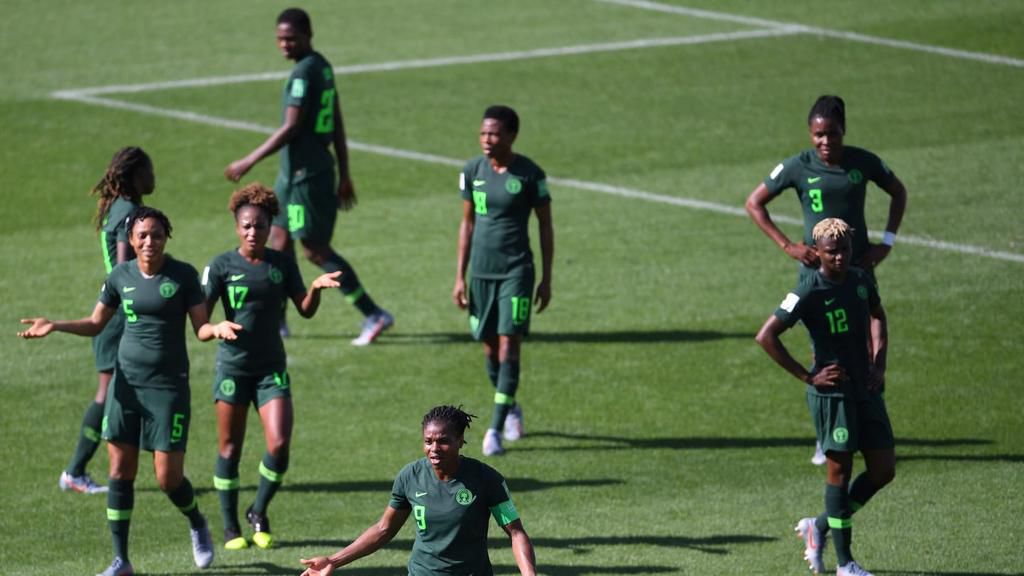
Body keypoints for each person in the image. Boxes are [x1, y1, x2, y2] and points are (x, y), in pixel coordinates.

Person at [18, 207, 240, 576]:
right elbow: (95, 323)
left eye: (156, 234)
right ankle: (121, 560)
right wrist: (54, 325)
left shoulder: (183, 275)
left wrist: (216, 329)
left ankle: (197, 521)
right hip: (126, 387)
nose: (149, 241)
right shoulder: (120, 277)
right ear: (131, 240)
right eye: (142, 236)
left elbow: (200, 328)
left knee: (168, 478)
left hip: (168, 390)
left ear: (166, 237)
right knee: (121, 471)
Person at [745, 95, 908, 466]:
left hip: (859, 269)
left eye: (831, 134)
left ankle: (869, 420)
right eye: (818, 135)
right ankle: (827, 434)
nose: (825, 142)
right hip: (817, 276)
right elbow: (754, 203)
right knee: (827, 349)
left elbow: (898, 191)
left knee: (865, 342)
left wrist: (887, 242)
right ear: (809, 133)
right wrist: (787, 245)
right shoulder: (797, 167)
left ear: (843, 131)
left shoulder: (862, 163)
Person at [224, 7, 392, 346]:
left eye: (291, 38)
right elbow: (338, 122)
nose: (284, 45)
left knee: (314, 250)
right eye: (280, 39)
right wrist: (345, 172)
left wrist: (249, 159)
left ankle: (372, 313)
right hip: (294, 175)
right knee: (279, 242)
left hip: (307, 178)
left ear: (307, 35)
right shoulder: (322, 66)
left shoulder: (303, 74)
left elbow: (292, 127)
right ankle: (279, 320)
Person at [203, 183, 341, 551]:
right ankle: (231, 526)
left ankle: (258, 509)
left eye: (260, 226)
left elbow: (304, 310)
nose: (253, 232)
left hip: (270, 370)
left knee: (279, 444)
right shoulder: (221, 265)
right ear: (236, 226)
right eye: (246, 226)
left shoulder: (281, 263)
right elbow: (199, 317)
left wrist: (315, 288)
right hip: (232, 368)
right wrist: (215, 327)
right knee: (229, 449)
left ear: (270, 227)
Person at [755, 218, 896, 576]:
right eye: (832, 251)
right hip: (833, 395)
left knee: (882, 470)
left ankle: (818, 527)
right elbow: (766, 336)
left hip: (866, 387)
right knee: (840, 471)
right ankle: (845, 564)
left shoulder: (862, 280)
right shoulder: (807, 290)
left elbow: (878, 316)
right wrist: (808, 375)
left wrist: (879, 360)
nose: (840, 257)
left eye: (845, 250)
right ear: (816, 252)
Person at [298, 405, 537, 576]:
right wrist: (333, 561)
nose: (434, 448)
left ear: (460, 440)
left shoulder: (486, 478)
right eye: (428, 441)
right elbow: (383, 529)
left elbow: (516, 532)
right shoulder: (409, 476)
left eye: (443, 440)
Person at [453, 105, 554, 457]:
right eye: (483, 133)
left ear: (511, 135)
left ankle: (494, 429)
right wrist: (459, 277)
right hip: (480, 273)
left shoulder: (530, 175)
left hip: (516, 272)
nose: (486, 139)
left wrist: (545, 277)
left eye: (494, 133)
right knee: (490, 348)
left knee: (510, 346)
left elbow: (545, 224)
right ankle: (510, 404)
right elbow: (467, 224)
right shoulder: (472, 171)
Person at [60, 147, 155, 495]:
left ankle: (84, 469)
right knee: (108, 394)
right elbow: (123, 267)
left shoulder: (118, 207)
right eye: (148, 170)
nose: (153, 176)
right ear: (134, 176)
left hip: (113, 307)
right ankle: (75, 470)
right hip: (120, 315)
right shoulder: (129, 211)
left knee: (118, 392)